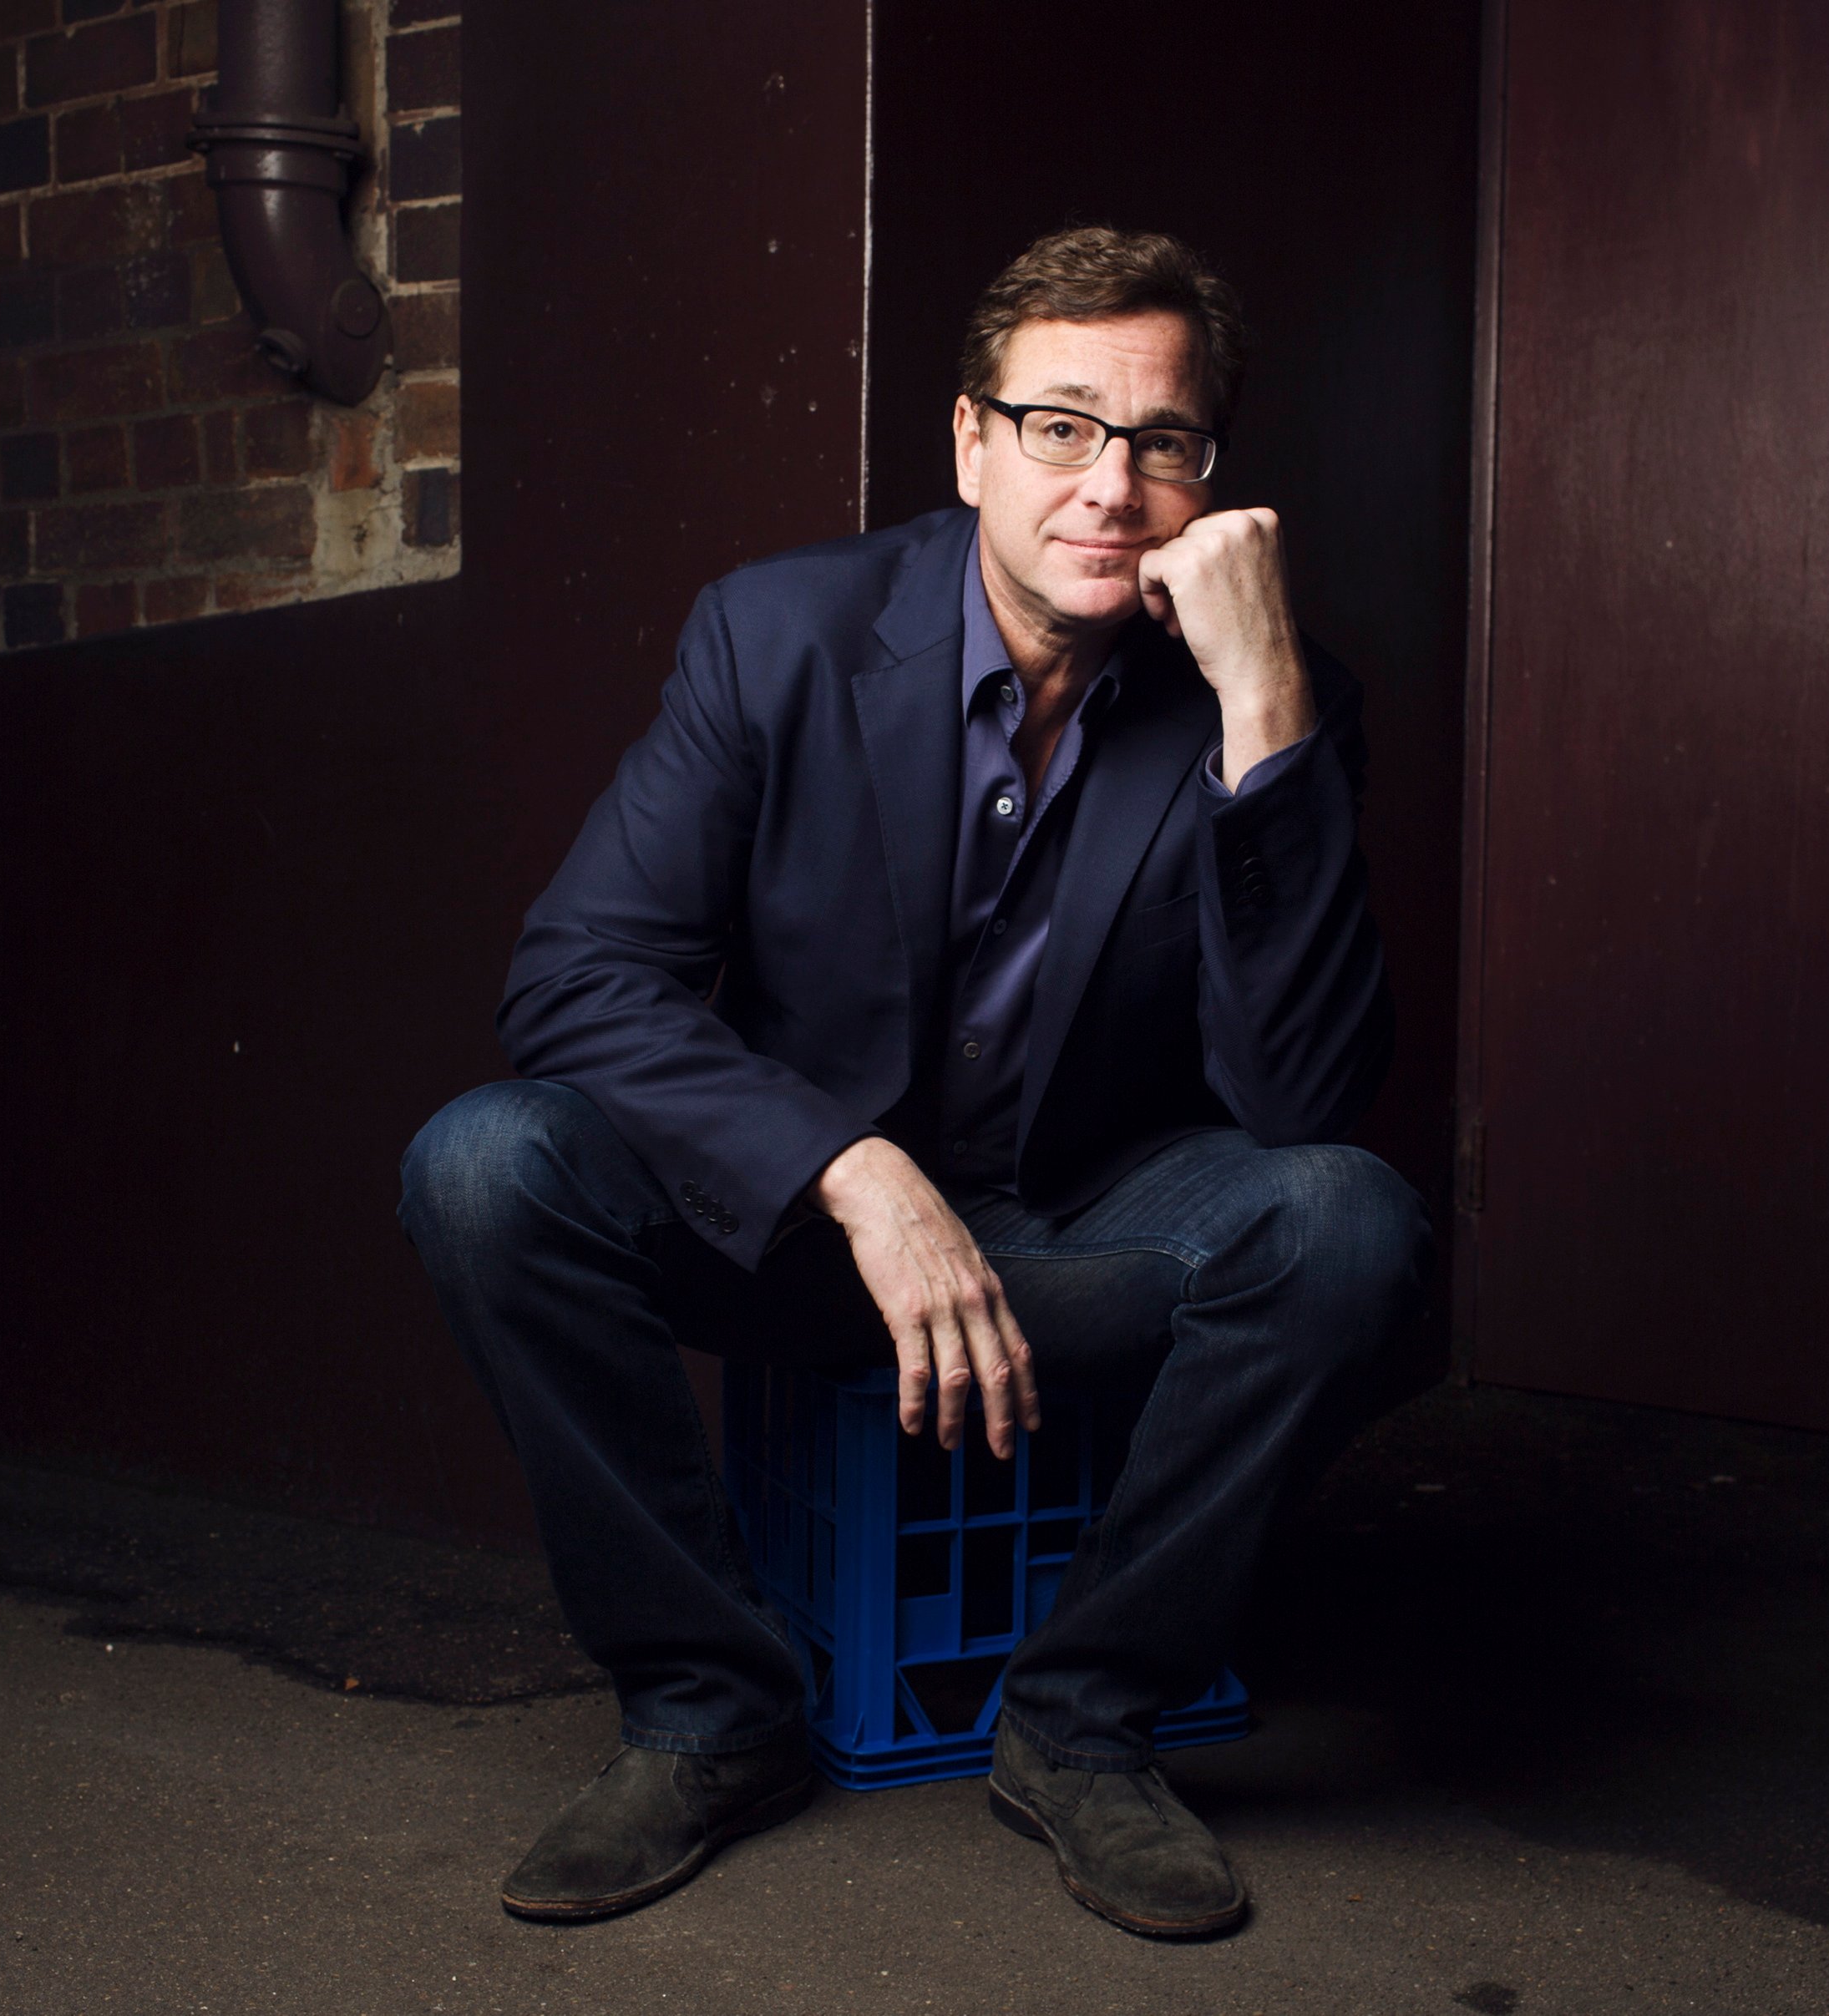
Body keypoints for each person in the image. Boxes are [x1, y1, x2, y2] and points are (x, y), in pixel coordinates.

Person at [399, 225, 1428, 1940]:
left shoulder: (1276, 704)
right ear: (969, 441)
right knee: (482, 1165)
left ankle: (1083, 1719)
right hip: (799, 1233)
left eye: (1160, 441)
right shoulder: (779, 635)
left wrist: (1264, 703)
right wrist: (850, 1171)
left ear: (1208, 477)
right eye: (1059, 426)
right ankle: (710, 1715)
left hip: (1077, 1235)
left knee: (1350, 1225)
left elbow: (1304, 1096)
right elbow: (573, 974)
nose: (1108, 485)